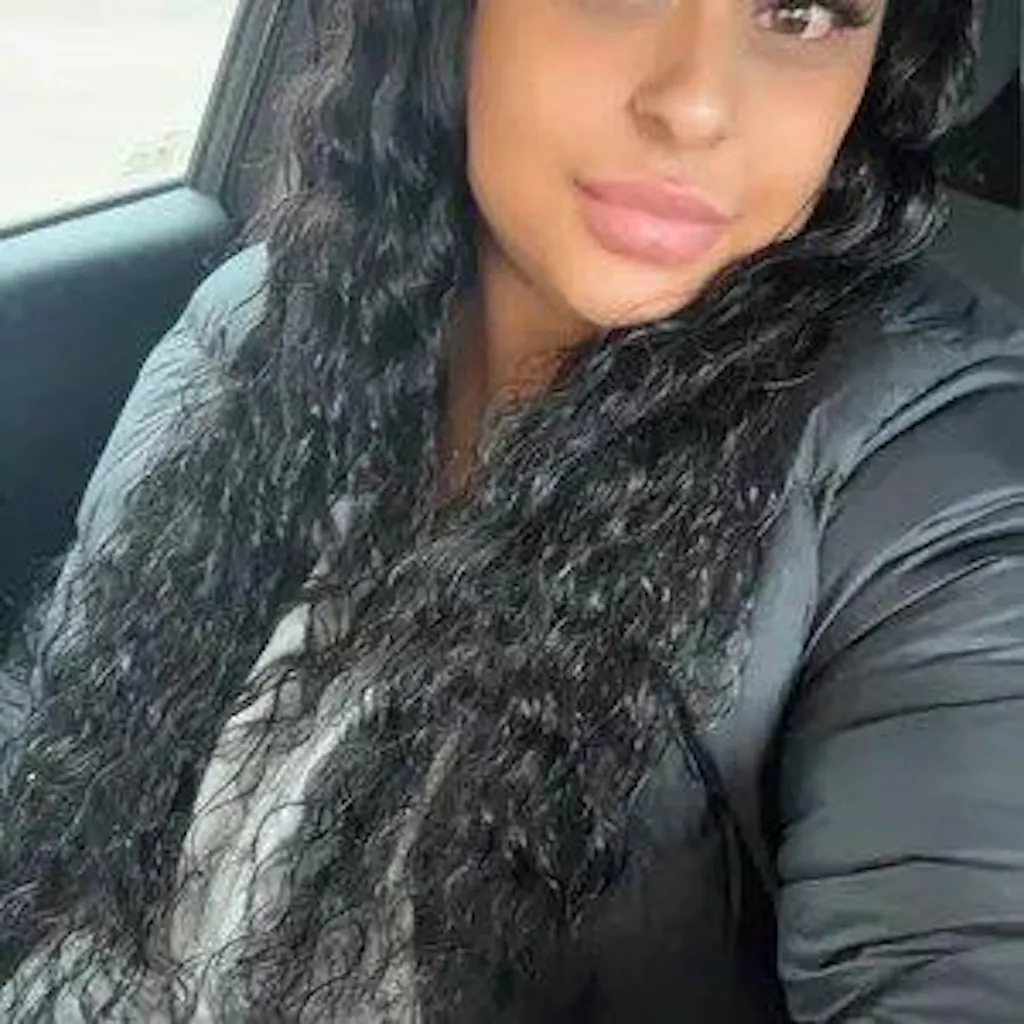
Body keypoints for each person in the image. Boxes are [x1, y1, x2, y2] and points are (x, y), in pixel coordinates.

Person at [2, 0, 1024, 1019]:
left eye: (801, 14)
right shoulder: (258, 321)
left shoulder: (929, 476)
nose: (696, 105)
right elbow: (55, 729)